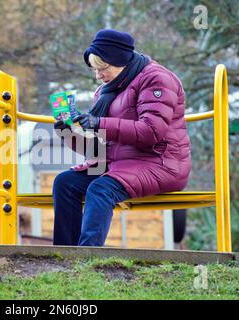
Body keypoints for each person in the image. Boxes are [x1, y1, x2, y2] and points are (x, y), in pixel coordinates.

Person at [52, 29, 192, 247]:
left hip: (161, 163)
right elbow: (98, 150)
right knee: (65, 183)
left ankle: (86, 261)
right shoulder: (105, 91)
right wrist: (67, 133)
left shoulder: (157, 79)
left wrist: (99, 123)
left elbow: (151, 132)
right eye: (94, 69)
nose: (98, 75)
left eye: (102, 68)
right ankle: (63, 257)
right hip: (120, 164)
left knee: (100, 189)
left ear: (119, 60)